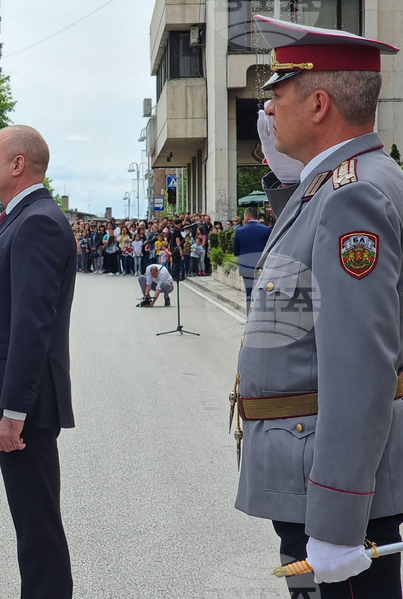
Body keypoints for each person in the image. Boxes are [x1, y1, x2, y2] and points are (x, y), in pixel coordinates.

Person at [236, 16, 403, 598]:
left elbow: (358, 367)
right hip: (320, 468)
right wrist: (293, 176)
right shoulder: (346, 183)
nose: (268, 110)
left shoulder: (350, 196)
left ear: (319, 104)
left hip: (336, 488)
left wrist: (338, 520)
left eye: (277, 94)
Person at [0, 125, 76, 599]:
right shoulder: (19, 217)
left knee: (37, 524)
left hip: (27, 405)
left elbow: (32, 325)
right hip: (17, 401)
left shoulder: (38, 221)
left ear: (18, 164)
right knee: (32, 521)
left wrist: (13, 411)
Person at [232, 206, 270, 312]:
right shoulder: (266, 230)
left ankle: (250, 317)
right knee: (262, 293)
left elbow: (236, 251)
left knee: (249, 294)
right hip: (262, 267)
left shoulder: (239, 231)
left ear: (247, 216)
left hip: (246, 268)